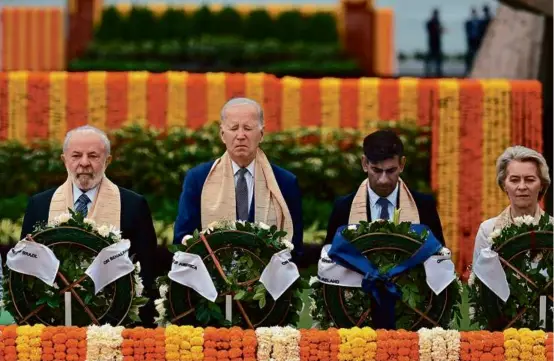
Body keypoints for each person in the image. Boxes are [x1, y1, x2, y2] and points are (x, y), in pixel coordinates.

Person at [20, 125, 158, 326]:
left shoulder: (133, 205)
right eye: (76, 156)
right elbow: (25, 268)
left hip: (117, 323)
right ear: (64, 160)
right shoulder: (39, 205)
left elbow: (147, 270)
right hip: (54, 321)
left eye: (93, 156)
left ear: (107, 161)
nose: (84, 163)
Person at [173, 97, 304, 257]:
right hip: (210, 278)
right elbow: (182, 238)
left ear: (261, 134)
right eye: (234, 128)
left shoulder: (284, 182)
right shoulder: (198, 179)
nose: (240, 135)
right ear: (222, 134)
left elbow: (295, 245)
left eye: (248, 128)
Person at [325, 129, 445, 244]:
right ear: (365, 164)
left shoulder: (424, 206)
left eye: (391, 171)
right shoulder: (344, 208)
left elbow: (439, 257)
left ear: (402, 164)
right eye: (376, 170)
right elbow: (329, 258)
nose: (383, 180)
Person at [473, 146, 552, 264]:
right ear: (504, 184)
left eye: (530, 180)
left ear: (541, 185)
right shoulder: (488, 230)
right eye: (514, 180)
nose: (522, 187)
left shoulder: (552, 229)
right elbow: (480, 280)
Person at [425, 8, 444, 77]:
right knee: (430, 56)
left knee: (438, 57)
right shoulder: (430, 22)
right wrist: (438, 30)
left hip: (437, 42)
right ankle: (428, 70)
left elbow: (440, 31)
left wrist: (441, 30)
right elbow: (431, 31)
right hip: (432, 42)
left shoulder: (437, 22)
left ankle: (438, 71)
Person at [465, 7, 481, 75]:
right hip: (471, 40)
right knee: (470, 54)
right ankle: (469, 68)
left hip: (477, 40)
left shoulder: (479, 22)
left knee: (477, 54)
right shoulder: (469, 22)